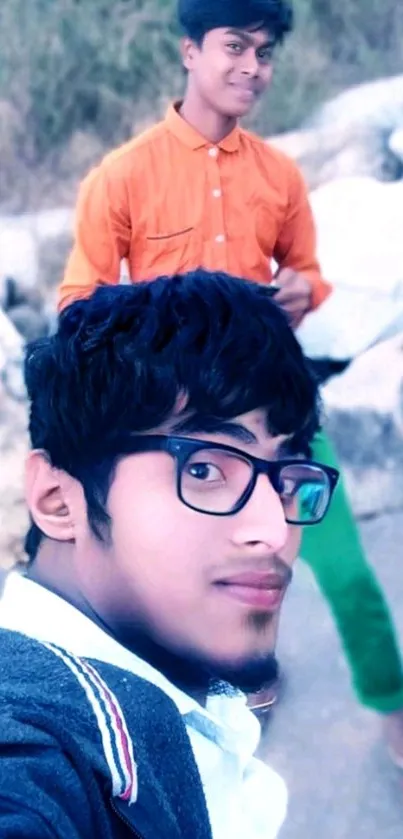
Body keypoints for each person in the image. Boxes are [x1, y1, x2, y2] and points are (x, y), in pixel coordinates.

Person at [57, 0, 403, 760]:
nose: (252, 67)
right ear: (189, 51)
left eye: (265, 53)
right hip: (177, 436)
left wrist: (298, 294)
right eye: (235, 47)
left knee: (343, 571)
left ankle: (392, 705)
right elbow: (78, 306)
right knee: (184, 583)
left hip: (278, 413)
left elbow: (307, 272)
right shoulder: (120, 178)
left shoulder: (278, 175)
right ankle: (229, 701)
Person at [0, 271, 339, 838]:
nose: (275, 530)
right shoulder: (37, 749)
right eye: (204, 468)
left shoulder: (184, 685)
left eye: (285, 479)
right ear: (58, 500)